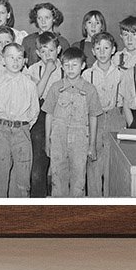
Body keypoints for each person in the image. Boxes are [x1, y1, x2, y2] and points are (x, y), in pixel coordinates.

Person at [42, 47, 101, 198]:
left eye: (74, 65)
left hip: (80, 140)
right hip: (58, 139)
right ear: (62, 67)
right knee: (58, 177)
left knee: (79, 179)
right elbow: (49, 114)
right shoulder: (56, 88)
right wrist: (47, 141)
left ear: (83, 66)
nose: (70, 69)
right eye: (67, 65)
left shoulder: (90, 90)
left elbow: (93, 117)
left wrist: (92, 144)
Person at [0, 43, 40, 197]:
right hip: (1, 132)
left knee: (22, 175)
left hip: (22, 132)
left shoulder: (30, 85)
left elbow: (34, 111)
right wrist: (1, 125)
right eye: (11, 57)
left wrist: (23, 125)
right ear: (3, 60)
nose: (15, 62)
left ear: (24, 61)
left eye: (19, 58)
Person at [82, 32, 125, 197]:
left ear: (113, 50)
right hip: (94, 119)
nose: (102, 52)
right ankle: (94, 199)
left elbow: (124, 101)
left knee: (112, 163)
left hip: (115, 117)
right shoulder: (87, 74)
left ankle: (110, 199)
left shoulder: (121, 73)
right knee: (93, 160)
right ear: (93, 51)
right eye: (98, 48)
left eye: (106, 48)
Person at [26, 31, 63, 197]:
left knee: (60, 166)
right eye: (43, 51)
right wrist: (47, 71)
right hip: (40, 113)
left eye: (51, 50)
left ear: (58, 50)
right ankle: (38, 199)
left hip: (62, 113)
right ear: (37, 53)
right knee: (38, 166)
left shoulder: (66, 67)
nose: (48, 55)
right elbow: (35, 95)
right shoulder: (33, 70)